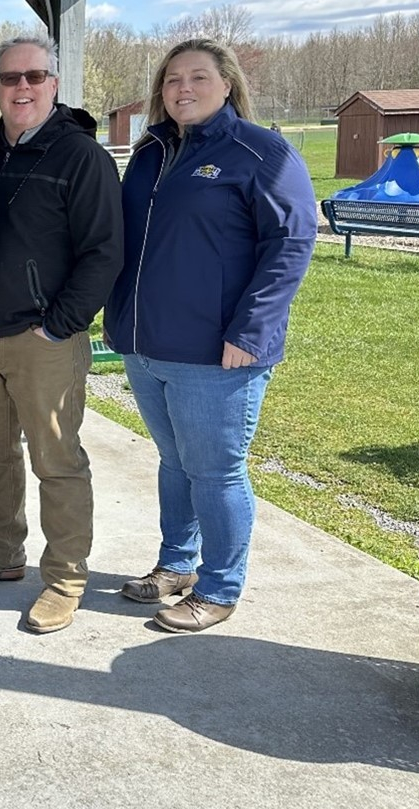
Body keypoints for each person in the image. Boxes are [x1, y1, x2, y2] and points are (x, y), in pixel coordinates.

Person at [105, 38, 315, 633]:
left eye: (198, 77)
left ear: (227, 84)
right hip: (146, 343)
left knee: (216, 471)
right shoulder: (151, 152)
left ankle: (219, 587)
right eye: (173, 79)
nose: (184, 88)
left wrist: (251, 331)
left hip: (216, 350)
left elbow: (292, 243)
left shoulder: (260, 151)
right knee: (175, 463)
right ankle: (177, 564)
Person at [0, 34, 123, 634]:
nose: (21, 88)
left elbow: (104, 251)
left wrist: (60, 324)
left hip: (44, 338)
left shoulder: (81, 157)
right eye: (9, 78)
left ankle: (66, 578)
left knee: (57, 461)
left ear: (54, 83)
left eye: (33, 76)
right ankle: (0, 550)